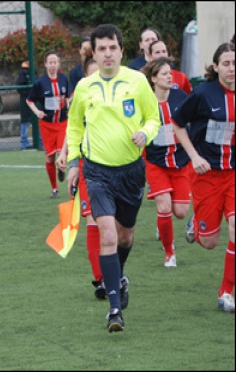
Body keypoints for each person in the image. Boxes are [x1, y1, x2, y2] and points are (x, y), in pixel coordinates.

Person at [66, 24, 160, 332]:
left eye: (113, 48)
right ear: (94, 52)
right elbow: (75, 128)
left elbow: (153, 118)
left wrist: (145, 132)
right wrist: (73, 165)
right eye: (101, 48)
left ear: (121, 50)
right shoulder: (84, 87)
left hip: (131, 171)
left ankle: (118, 276)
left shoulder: (137, 81)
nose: (107, 53)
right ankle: (115, 310)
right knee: (106, 234)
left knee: (125, 237)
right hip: (97, 172)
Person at [172, 42, 235, 313]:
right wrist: (194, 157)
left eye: (235, 63)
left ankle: (226, 292)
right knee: (208, 242)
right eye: (227, 64)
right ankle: (197, 223)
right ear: (216, 67)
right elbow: (176, 123)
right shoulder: (203, 94)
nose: (232, 69)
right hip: (207, 175)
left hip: (233, 173)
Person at [56, 52, 106, 300]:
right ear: (86, 75)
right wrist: (65, 154)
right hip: (88, 165)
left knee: (116, 228)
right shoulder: (82, 97)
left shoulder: (116, 96)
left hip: (115, 168)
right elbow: (72, 127)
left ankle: (112, 272)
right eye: (92, 72)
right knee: (93, 221)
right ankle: (100, 279)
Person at [141, 57, 190, 267]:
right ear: (153, 79)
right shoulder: (145, 101)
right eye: (164, 73)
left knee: (180, 212)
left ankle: (193, 223)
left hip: (180, 162)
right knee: (164, 205)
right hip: (155, 162)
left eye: (170, 73)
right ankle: (169, 253)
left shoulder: (181, 97)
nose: (170, 76)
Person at [26, 50, 70, 198]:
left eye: (55, 62)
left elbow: (69, 96)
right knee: (50, 157)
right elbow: (29, 100)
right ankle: (54, 188)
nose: (52, 65)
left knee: (64, 152)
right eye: (50, 62)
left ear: (58, 64)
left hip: (63, 122)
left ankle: (62, 169)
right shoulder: (40, 83)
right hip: (47, 125)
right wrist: (37, 112)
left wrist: (68, 104)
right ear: (45, 64)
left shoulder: (64, 79)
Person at [16, 60, 35, 150]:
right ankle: (24, 142)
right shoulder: (23, 73)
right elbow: (19, 87)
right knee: (25, 121)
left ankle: (38, 141)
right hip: (25, 101)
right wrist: (27, 93)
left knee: (35, 121)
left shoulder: (33, 72)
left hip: (33, 100)